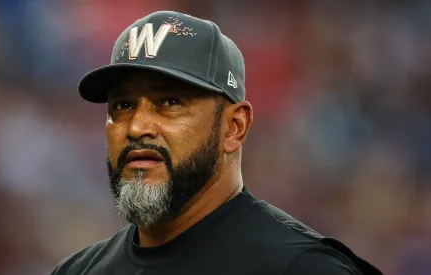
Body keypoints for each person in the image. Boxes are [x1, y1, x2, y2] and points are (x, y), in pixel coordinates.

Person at [51, 11, 382, 275]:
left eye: (170, 102)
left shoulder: (303, 267)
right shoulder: (77, 271)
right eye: (122, 106)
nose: (137, 126)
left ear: (234, 128)